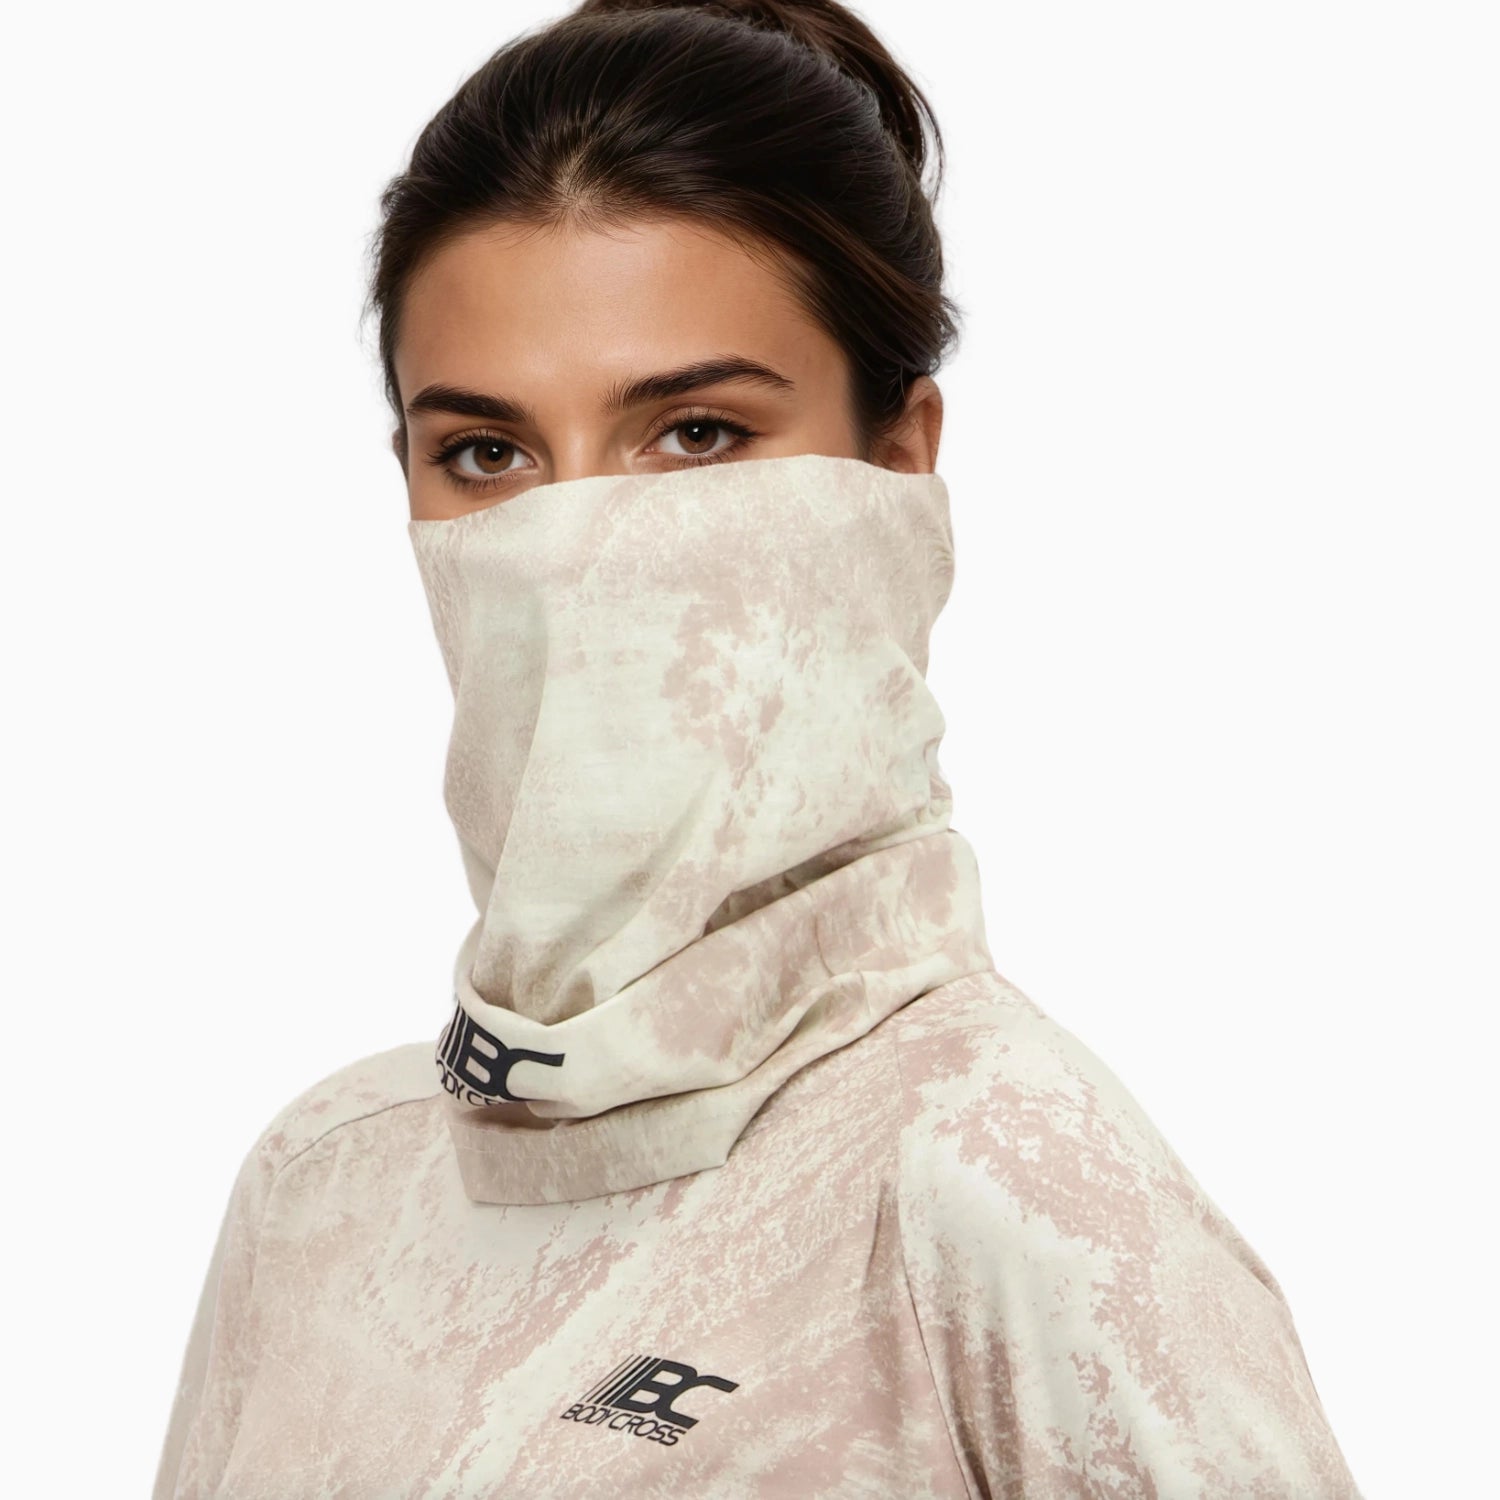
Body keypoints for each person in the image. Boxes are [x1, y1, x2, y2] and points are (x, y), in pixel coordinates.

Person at [152, 2, 1365, 1495]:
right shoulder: (324, 1186)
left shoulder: (1009, 1190)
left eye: (698, 434)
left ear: (898, 460)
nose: (573, 544)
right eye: (487, 454)